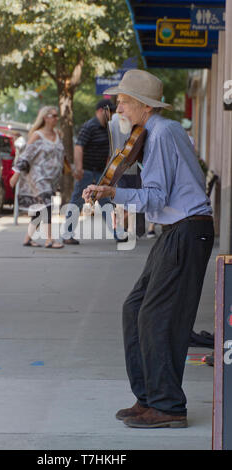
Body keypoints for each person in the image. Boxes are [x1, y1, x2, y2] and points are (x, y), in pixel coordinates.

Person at [82, 69, 214, 428]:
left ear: (142, 104)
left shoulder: (161, 134)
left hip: (186, 230)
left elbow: (157, 195)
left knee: (156, 317)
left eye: (123, 101)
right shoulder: (154, 132)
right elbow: (157, 195)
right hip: (176, 230)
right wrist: (117, 194)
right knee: (135, 308)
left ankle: (168, 406)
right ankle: (149, 397)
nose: (118, 107)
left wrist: (113, 193)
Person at [62, 99, 116, 245]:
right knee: (77, 202)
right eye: (109, 111)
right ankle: (67, 235)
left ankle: (118, 233)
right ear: (100, 111)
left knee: (106, 202)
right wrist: (78, 168)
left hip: (100, 172)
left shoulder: (108, 127)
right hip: (86, 171)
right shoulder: (89, 126)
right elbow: (79, 147)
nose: (112, 114)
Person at [10, 106, 64, 249]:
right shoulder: (37, 135)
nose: (56, 118)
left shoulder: (58, 134)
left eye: (57, 116)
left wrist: (71, 169)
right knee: (47, 206)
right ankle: (50, 240)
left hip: (51, 179)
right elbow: (26, 156)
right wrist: (16, 174)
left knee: (41, 210)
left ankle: (27, 239)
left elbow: (60, 156)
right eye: (53, 115)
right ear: (45, 117)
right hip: (38, 177)